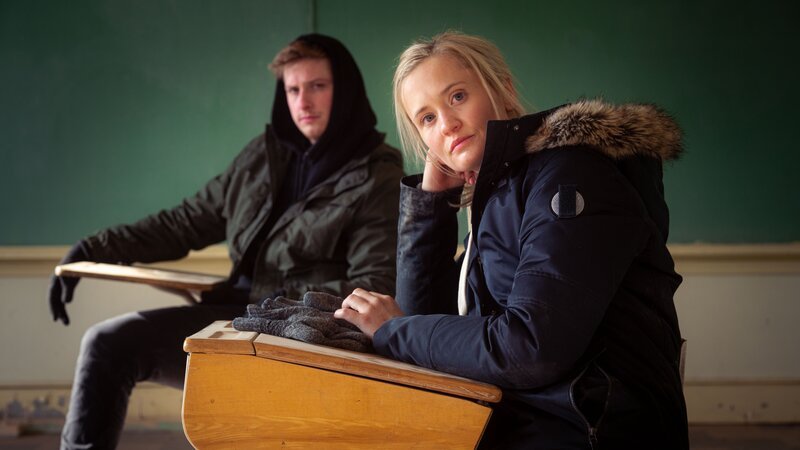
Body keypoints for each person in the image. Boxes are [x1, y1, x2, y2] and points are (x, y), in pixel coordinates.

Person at [334, 31, 688, 449]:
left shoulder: (570, 174)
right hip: (519, 417)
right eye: (427, 119)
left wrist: (393, 331)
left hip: (586, 429)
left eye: (458, 97)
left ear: (502, 89)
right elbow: (424, 321)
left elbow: (531, 348)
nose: (446, 124)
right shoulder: (500, 193)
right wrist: (430, 202)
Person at [50, 34, 404, 450]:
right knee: (107, 343)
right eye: (293, 89)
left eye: (317, 86)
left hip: (298, 337)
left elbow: (371, 285)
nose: (303, 102)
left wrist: (287, 321)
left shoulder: (376, 173)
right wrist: (93, 249)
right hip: (232, 318)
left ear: (344, 91)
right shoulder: (263, 155)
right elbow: (184, 223)